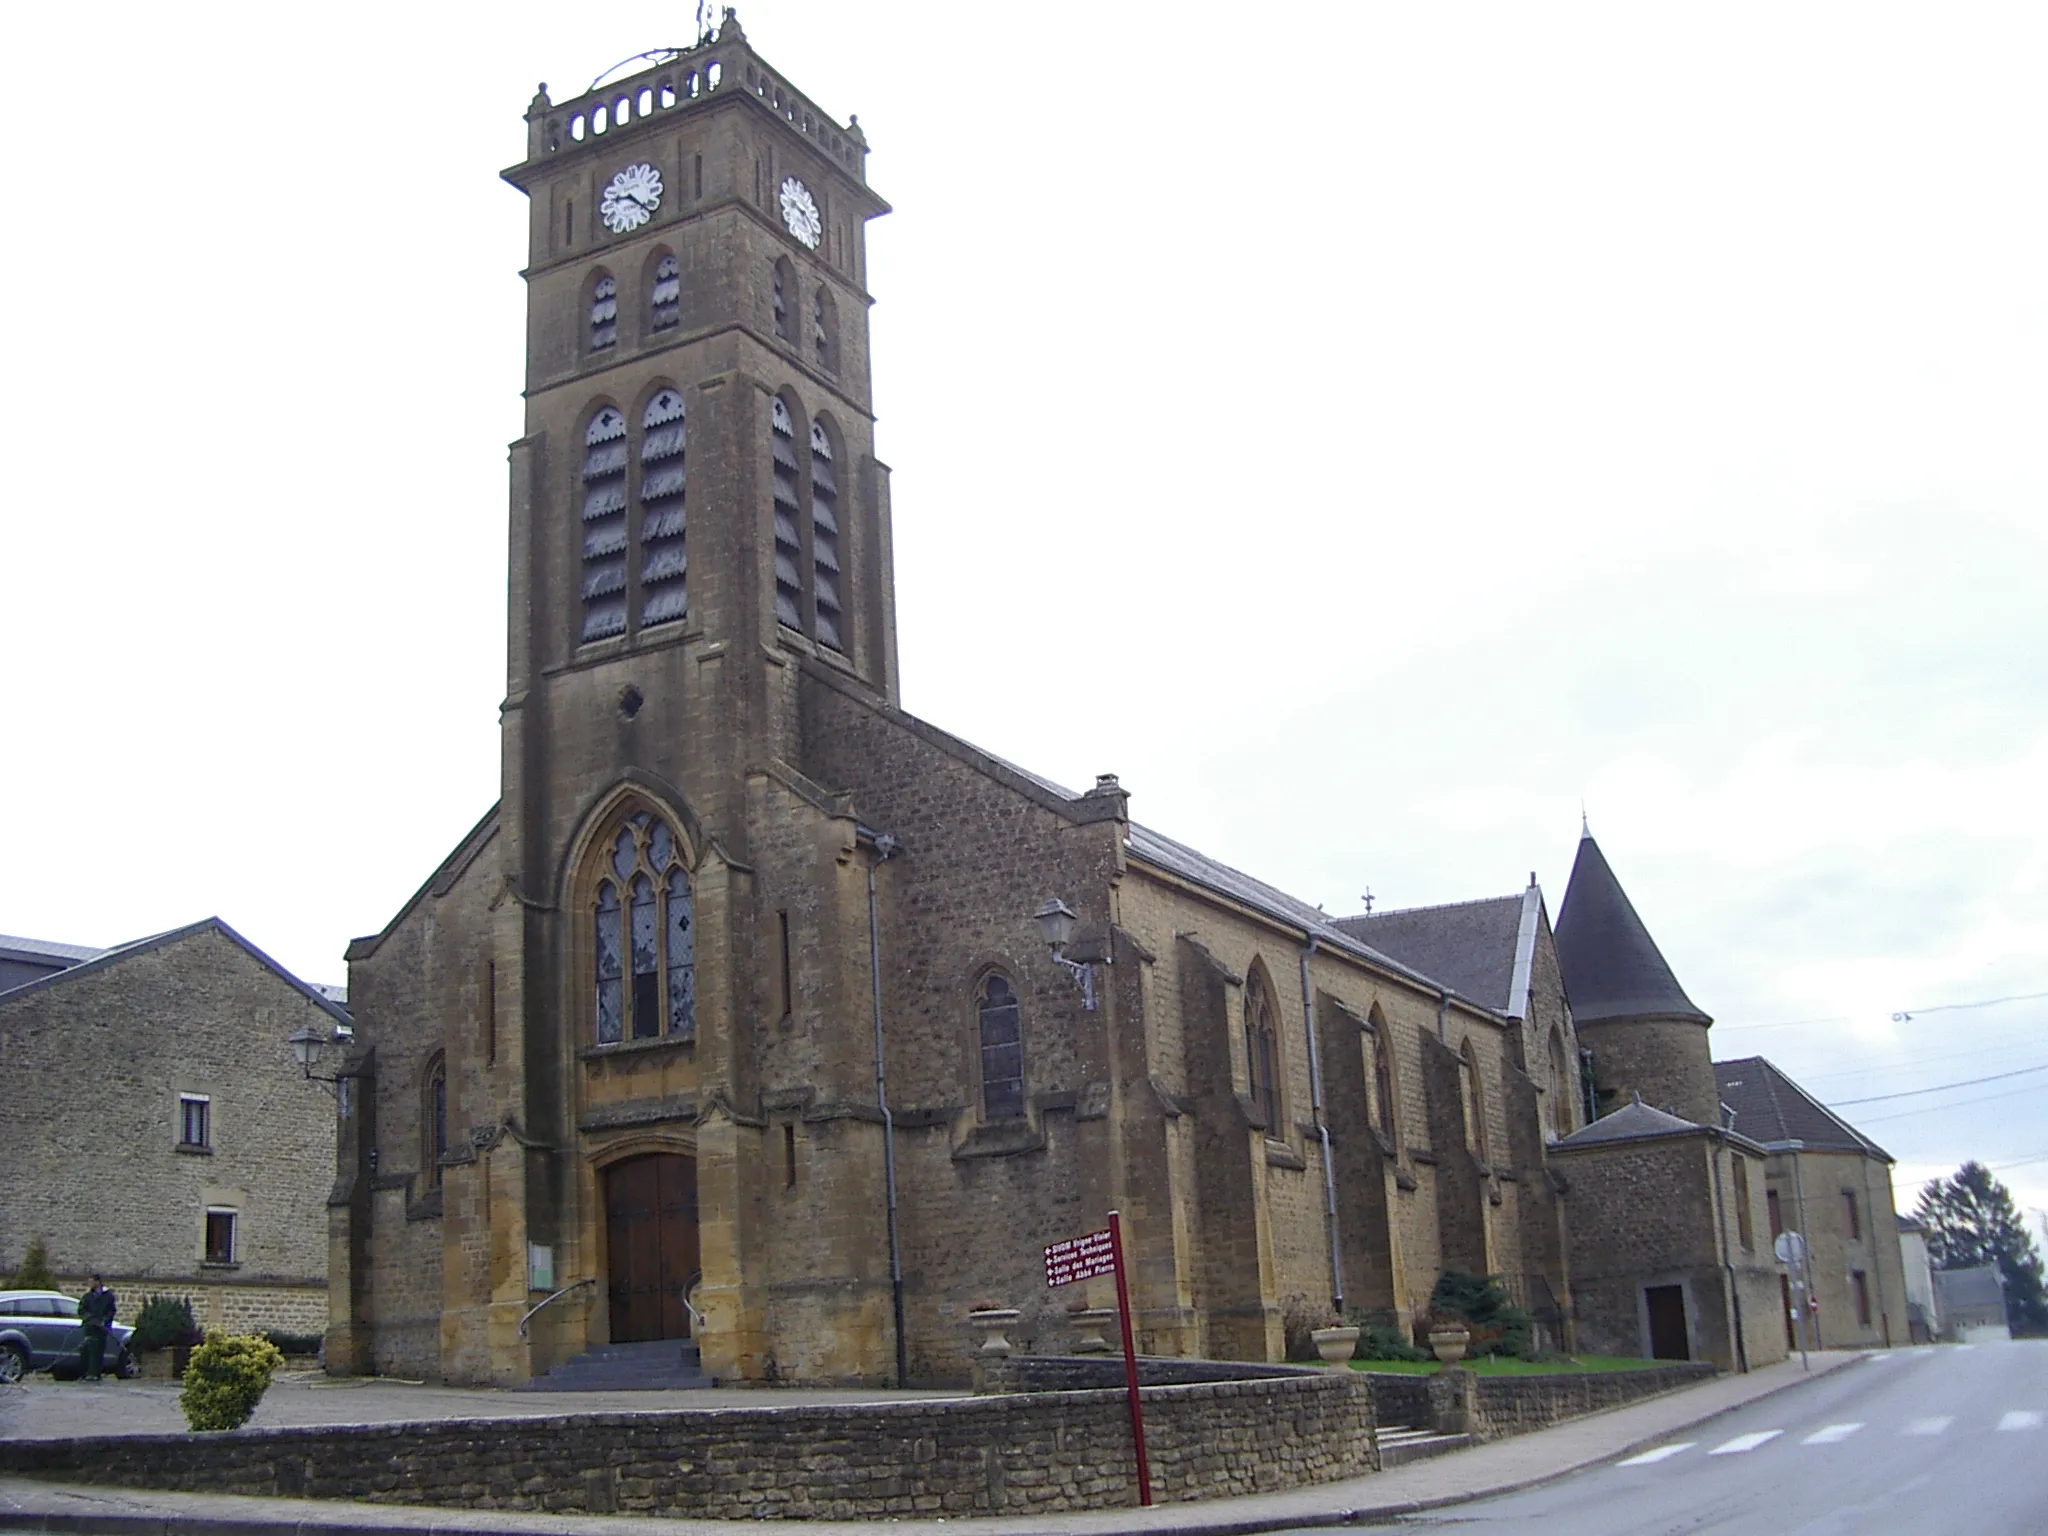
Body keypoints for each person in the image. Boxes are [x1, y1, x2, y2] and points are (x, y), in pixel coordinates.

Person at [78, 1275, 117, 1381]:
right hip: (89, 1327)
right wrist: (88, 1318)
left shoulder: (108, 1296)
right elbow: (81, 1310)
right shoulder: (87, 1296)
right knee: (86, 1349)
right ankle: (85, 1373)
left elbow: (111, 1310)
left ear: (98, 1282)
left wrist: (104, 1320)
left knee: (98, 1351)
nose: (89, 1284)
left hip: (101, 1329)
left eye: (91, 1281)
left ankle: (95, 1374)